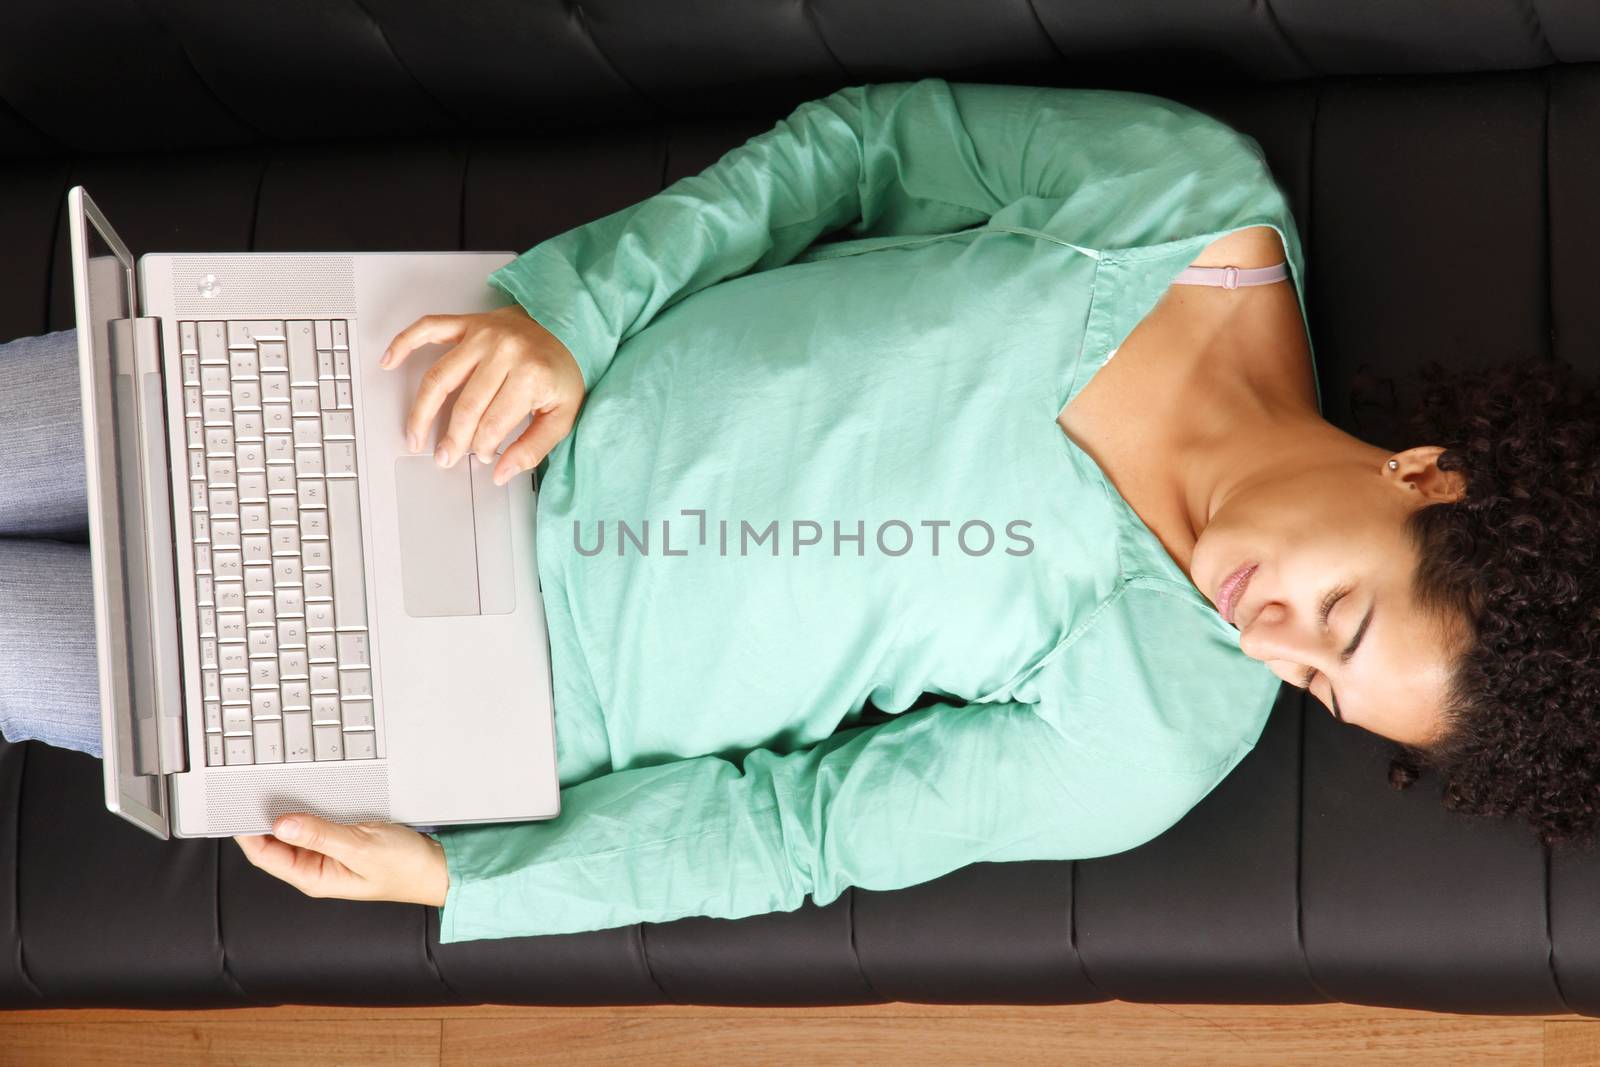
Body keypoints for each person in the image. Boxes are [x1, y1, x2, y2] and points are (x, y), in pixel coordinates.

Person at [0, 77, 1585, 942]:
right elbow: (860, 153)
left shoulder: (1158, 737)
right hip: (429, 388)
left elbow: (798, 830)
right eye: (1341, 613)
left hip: (465, 690)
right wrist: (567, 311)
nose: (1269, 639)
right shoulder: (1181, 201)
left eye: (1316, 683)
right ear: (1425, 474)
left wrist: (476, 879)